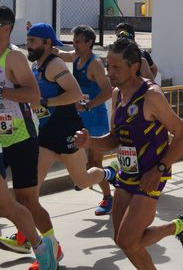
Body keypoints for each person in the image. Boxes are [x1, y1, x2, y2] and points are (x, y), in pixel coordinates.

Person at [74, 38, 183, 268]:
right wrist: (89, 142)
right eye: (108, 67)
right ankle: (179, 226)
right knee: (122, 240)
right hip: (127, 174)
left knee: (128, 241)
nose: (110, 73)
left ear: (133, 66)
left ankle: (180, 226)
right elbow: (114, 138)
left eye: (116, 67)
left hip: (151, 174)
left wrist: (160, 169)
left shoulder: (151, 96)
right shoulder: (116, 94)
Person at [23, 23, 118, 267]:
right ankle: (42, 245)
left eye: (33, 40)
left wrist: (46, 101)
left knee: (83, 180)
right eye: (28, 39)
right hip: (46, 135)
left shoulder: (56, 65)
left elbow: (75, 94)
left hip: (69, 131)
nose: (29, 45)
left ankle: (108, 174)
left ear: (46, 43)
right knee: (29, 193)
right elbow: (65, 54)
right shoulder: (39, 63)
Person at [0, 9, 57, 268]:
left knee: (27, 201)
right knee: (7, 203)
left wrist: (2, 91)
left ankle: (51, 247)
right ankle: (35, 242)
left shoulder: (13, 57)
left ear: (5, 28)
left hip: (21, 136)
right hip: (1, 137)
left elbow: (33, 95)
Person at [52, 25, 115, 215]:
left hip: (95, 118)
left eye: (79, 41)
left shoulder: (94, 64)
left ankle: (107, 198)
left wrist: (88, 105)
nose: (75, 45)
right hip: (80, 118)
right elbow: (63, 54)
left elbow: (108, 90)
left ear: (89, 43)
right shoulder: (77, 56)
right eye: (74, 41)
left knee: (94, 162)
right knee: (79, 156)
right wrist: (48, 46)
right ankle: (99, 176)